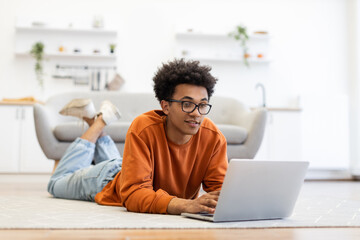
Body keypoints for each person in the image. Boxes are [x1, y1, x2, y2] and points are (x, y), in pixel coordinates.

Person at [47, 59, 228, 214]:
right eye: (187, 104)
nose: (197, 113)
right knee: (55, 184)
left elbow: (222, 192)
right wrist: (185, 204)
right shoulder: (143, 128)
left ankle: (94, 120)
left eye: (202, 105)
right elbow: (133, 194)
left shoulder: (214, 138)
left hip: (134, 169)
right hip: (109, 178)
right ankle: (99, 123)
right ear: (165, 107)